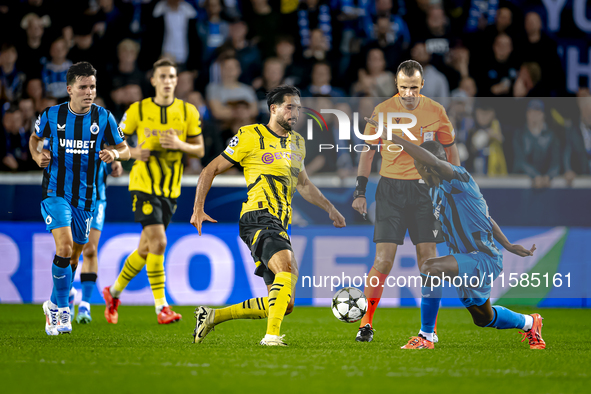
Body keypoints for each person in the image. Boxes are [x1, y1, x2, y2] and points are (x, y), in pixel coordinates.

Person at [190, 85, 346, 346]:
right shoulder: (250, 135)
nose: (295, 112)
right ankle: (271, 337)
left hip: (280, 223)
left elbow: (304, 184)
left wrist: (330, 208)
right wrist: (198, 209)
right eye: (289, 106)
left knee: (284, 303)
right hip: (258, 216)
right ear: (273, 109)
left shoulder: (297, 142)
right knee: (288, 269)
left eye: (297, 107)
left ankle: (212, 316)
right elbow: (210, 169)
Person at [368, 122, 545, 350]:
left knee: (430, 267)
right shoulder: (434, 190)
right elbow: (486, 218)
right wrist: (508, 245)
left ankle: (426, 336)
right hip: (465, 260)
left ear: (429, 166)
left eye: (419, 167)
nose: (417, 172)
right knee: (484, 317)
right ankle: (530, 323)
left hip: (483, 258)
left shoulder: (459, 178)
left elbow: (433, 160)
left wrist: (392, 137)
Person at [353, 60, 460, 343]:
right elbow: (367, 153)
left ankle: (430, 330)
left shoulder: (436, 111)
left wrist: (456, 187)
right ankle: (366, 324)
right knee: (383, 260)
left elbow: (451, 152)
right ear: (396, 86)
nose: (409, 93)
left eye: (414, 87)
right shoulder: (383, 111)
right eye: (403, 88)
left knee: (429, 261)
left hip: (426, 192)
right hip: (390, 191)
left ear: (422, 85)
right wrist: (360, 192)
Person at [28, 61, 130, 335]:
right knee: (63, 247)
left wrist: (115, 155)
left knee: (74, 257)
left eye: (93, 87)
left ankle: (52, 303)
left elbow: (125, 149)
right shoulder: (52, 115)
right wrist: (38, 155)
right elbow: (35, 139)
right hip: (55, 192)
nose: (89, 92)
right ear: (70, 89)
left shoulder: (104, 118)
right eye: (83, 87)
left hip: (86, 199)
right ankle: (62, 311)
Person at [103, 58, 205, 325]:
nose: (168, 81)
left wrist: (179, 144)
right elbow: (115, 140)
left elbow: (200, 149)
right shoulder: (138, 110)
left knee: (147, 249)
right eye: (162, 77)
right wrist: (134, 152)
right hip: (143, 185)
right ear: (153, 80)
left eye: (172, 76)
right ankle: (162, 307)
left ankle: (113, 293)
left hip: (171, 189)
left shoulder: (188, 111)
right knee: (159, 242)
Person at [76, 160, 123, 324]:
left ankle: (85, 304)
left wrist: (116, 159)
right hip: (71, 198)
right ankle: (64, 297)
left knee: (90, 250)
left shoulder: (103, 135)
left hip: (97, 200)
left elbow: (119, 147)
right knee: (68, 249)